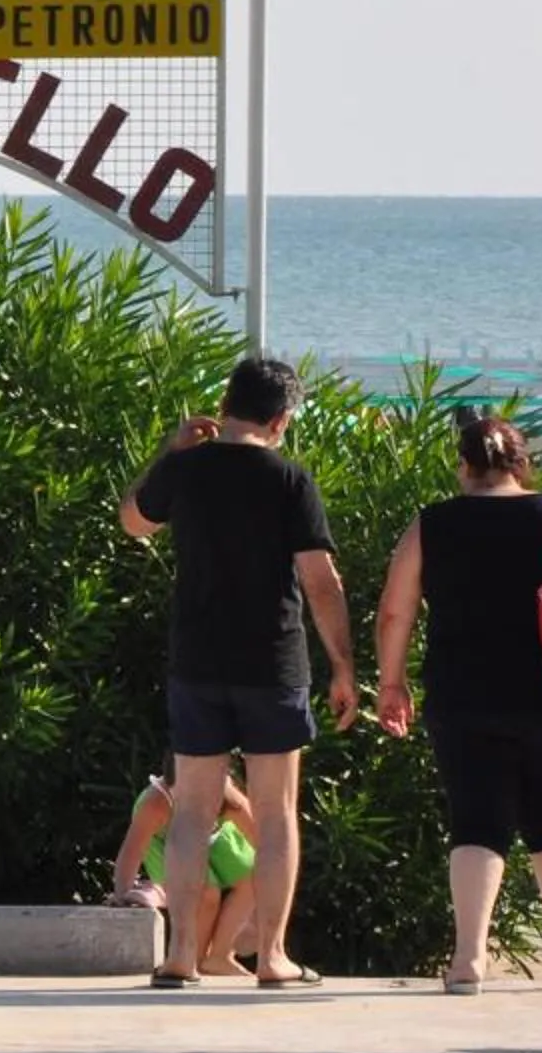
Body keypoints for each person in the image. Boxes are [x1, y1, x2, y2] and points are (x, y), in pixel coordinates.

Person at [374, 413, 542, 993]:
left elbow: (395, 608)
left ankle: (467, 962)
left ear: (464, 466)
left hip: (462, 695)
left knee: (475, 823)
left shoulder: (434, 523)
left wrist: (391, 683)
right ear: (521, 464)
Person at [121, 356, 360, 989]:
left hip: (197, 661)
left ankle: (180, 955)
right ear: (280, 420)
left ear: (225, 406)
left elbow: (133, 522)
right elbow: (320, 581)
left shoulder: (184, 469)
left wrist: (169, 451)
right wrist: (343, 666)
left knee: (193, 811)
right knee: (276, 812)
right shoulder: (289, 479)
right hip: (272, 662)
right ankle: (273, 957)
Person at [107, 764, 261, 976]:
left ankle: (220, 956)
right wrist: (121, 892)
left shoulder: (228, 799)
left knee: (254, 874)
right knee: (206, 893)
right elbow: (132, 851)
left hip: (214, 836)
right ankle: (192, 960)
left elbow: (262, 839)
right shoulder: (155, 804)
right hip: (165, 840)